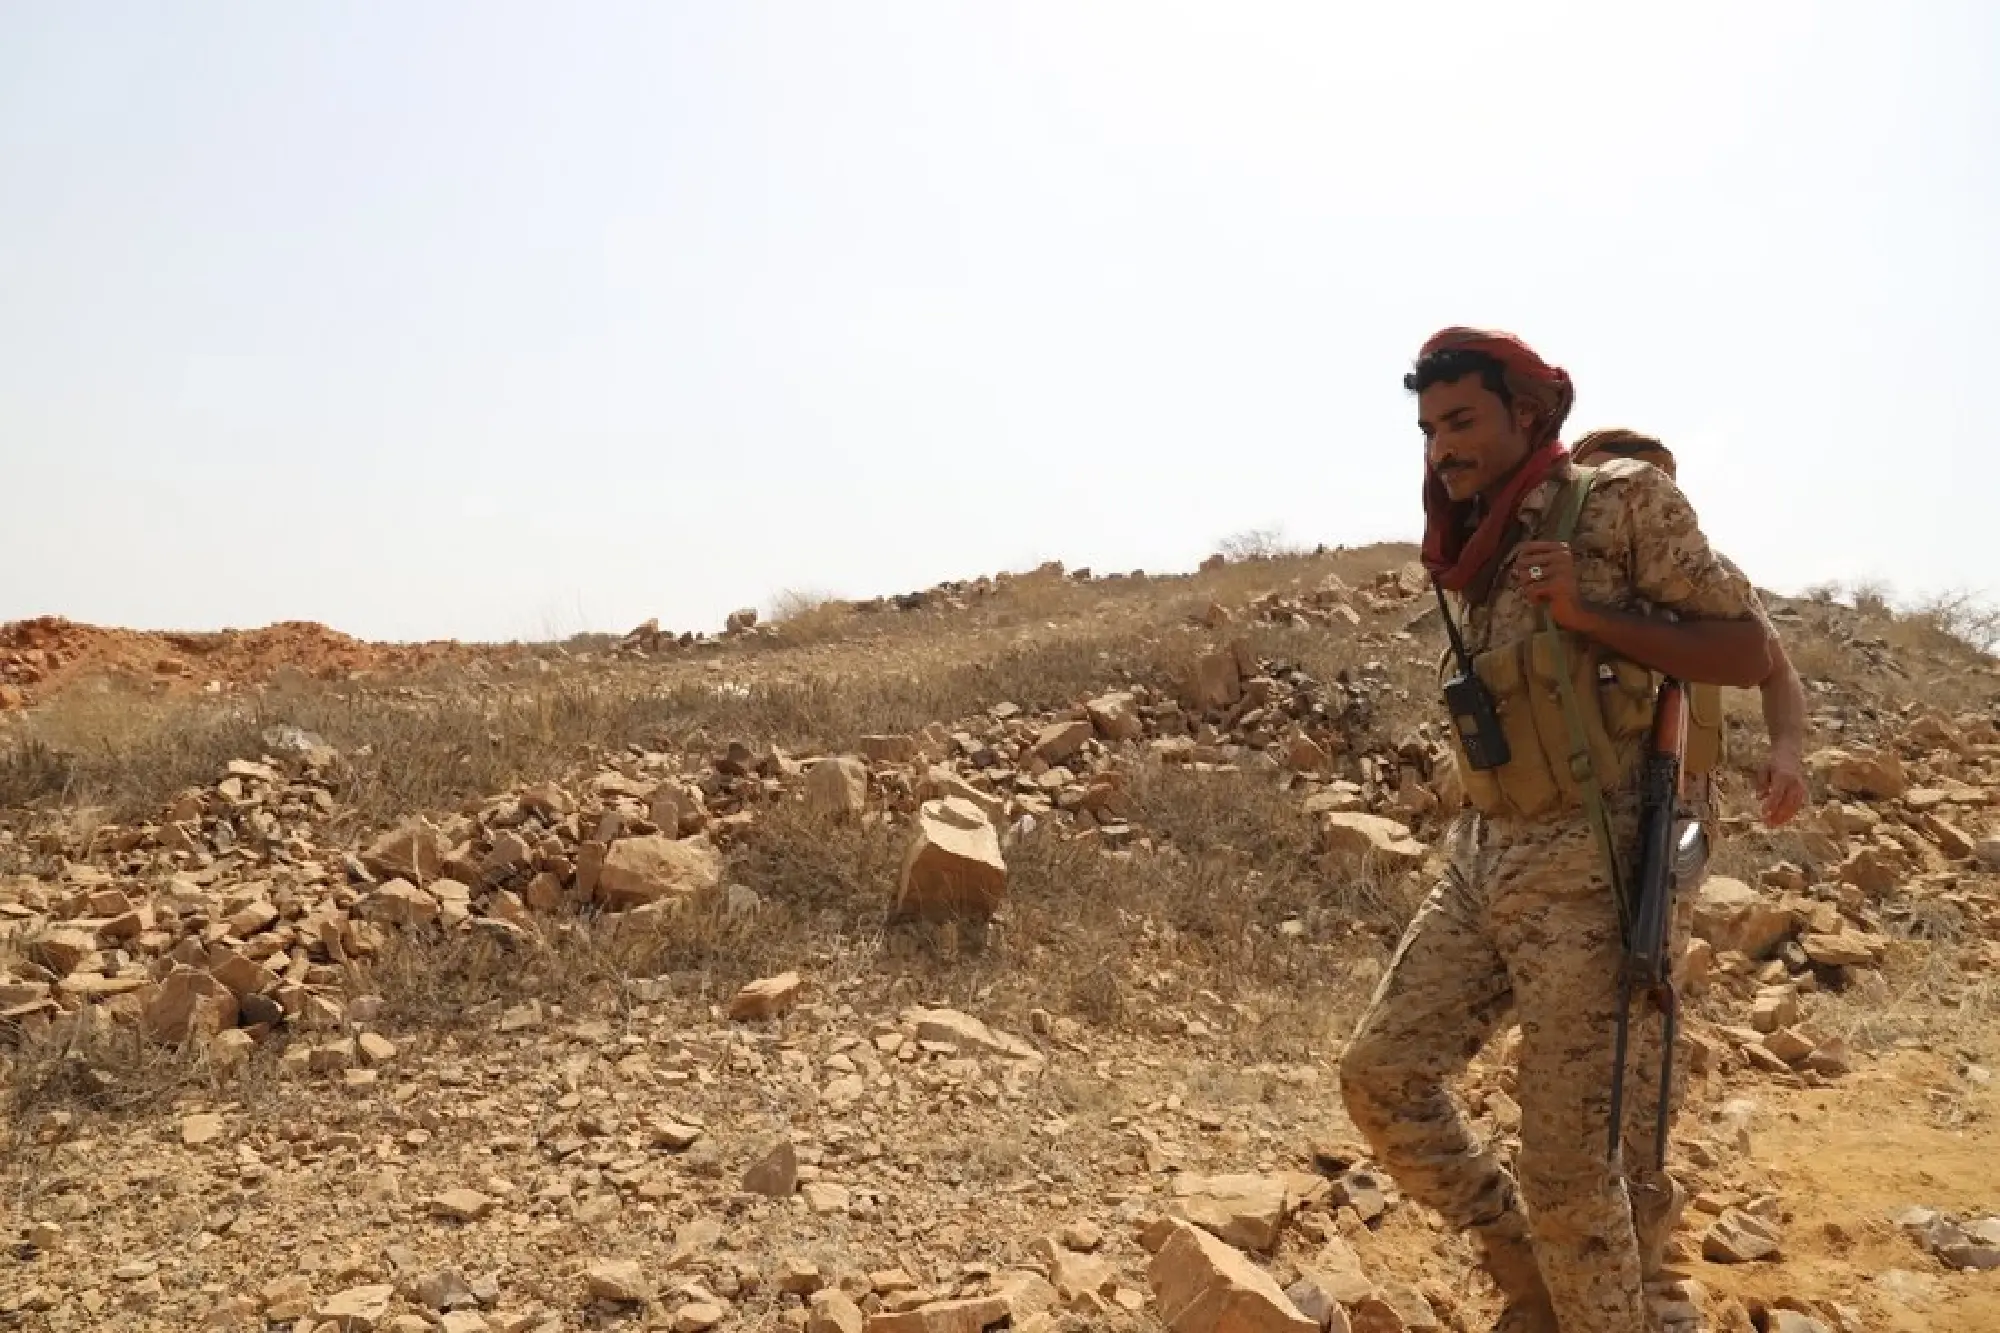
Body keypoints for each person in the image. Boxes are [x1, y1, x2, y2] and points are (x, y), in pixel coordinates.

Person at [1338, 328, 1775, 1333]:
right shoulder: (1472, 546)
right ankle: (1528, 1272)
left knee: (1575, 1168)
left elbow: (1746, 649)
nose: (1439, 449)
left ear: (1527, 414)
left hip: (1597, 862)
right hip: (1487, 853)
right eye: (1426, 429)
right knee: (1380, 1075)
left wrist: (1585, 615)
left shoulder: (1618, 502)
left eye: (1460, 422)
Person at [1570, 428, 1809, 828]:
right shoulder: (1557, 571)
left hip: (1680, 810)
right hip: (1575, 807)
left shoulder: (1711, 578)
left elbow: (1777, 670)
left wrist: (1786, 754)